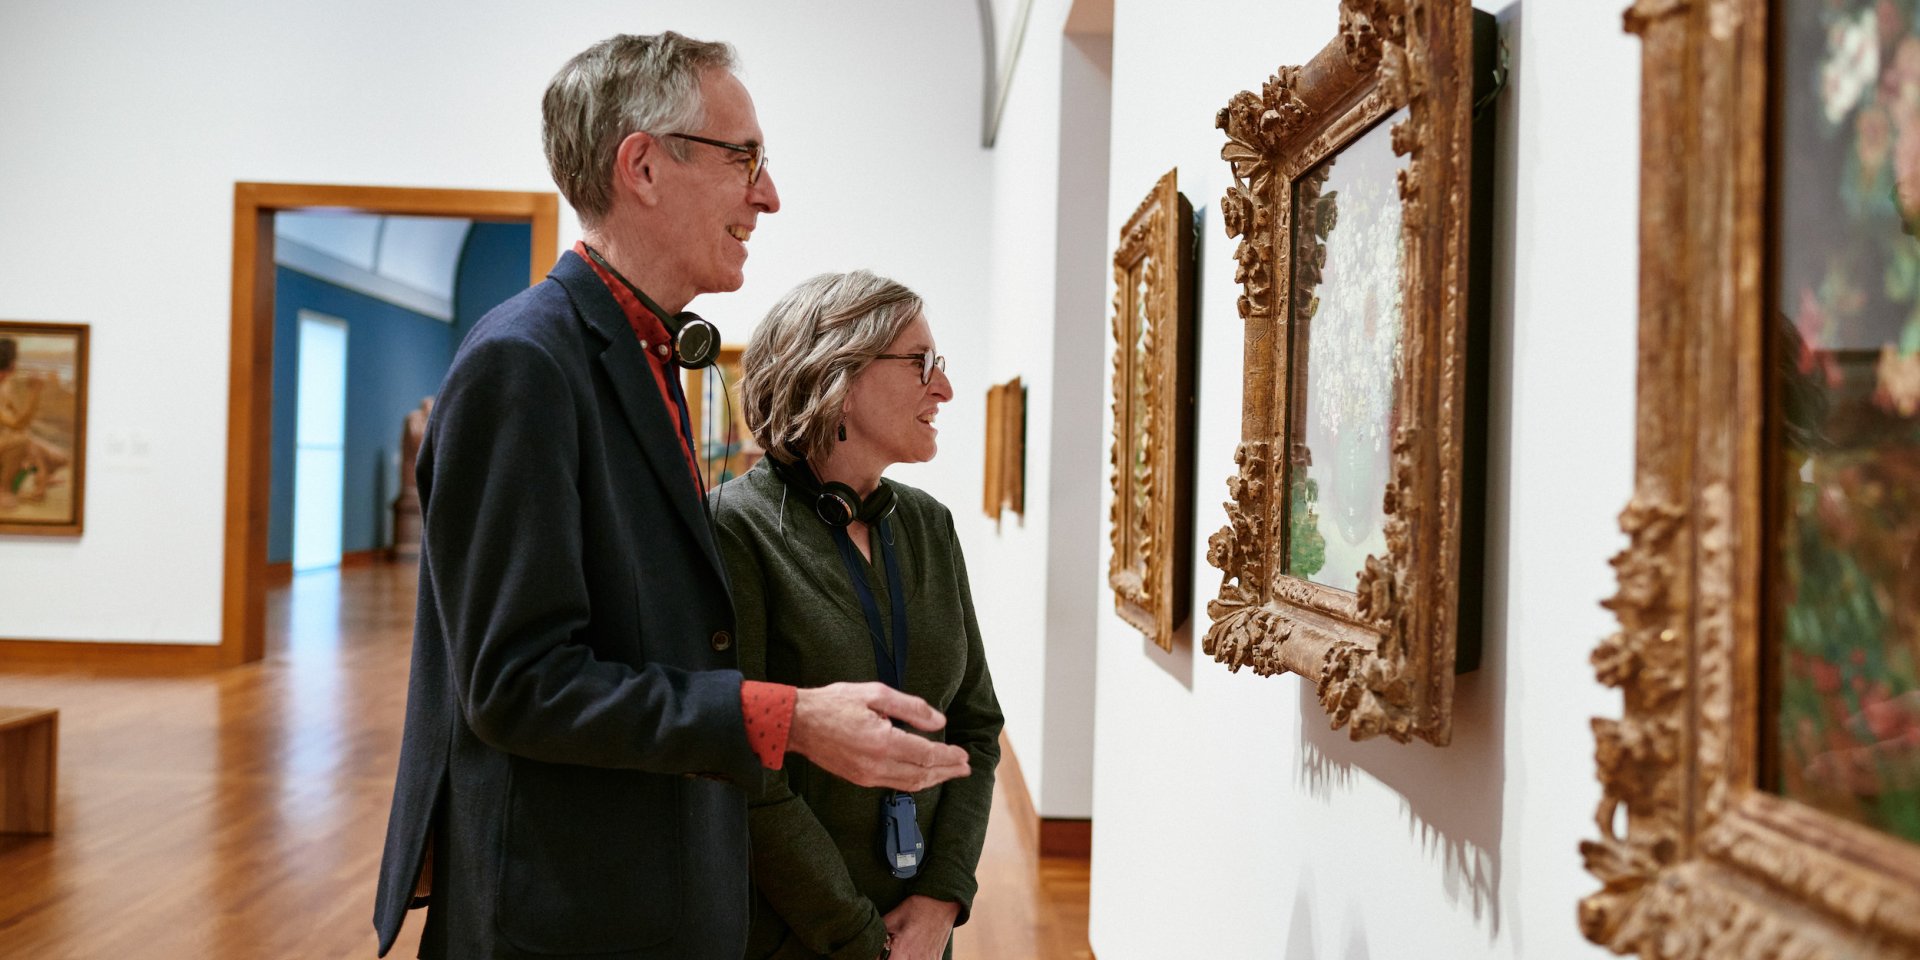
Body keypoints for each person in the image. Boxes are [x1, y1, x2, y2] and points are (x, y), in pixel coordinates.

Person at [372, 33, 972, 960]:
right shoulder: (522, 363)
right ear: (643, 165)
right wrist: (793, 718)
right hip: (561, 903)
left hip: (648, 885)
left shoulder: (644, 351)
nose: (767, 194)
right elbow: (518, 684)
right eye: (746, 160)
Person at [714, 271, 1003, 960]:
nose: (945, 390)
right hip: (792, 933)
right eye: (922, 364)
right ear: (835, 373)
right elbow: (744, 771)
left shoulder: (928, 524)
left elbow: (976, 726)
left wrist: (942, 898)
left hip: (920, 932)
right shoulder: (731, 529)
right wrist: (859, 938)